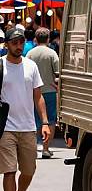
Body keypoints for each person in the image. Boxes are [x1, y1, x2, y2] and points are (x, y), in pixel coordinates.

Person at [0, 28, 50, 191]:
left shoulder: (31, 66)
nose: (19, 46)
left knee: (29, 171)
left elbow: (38, 96)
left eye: (21, 42)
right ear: (7, 45)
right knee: (9, 171)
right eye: (14, 42)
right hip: (6, 128)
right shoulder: (0, 65)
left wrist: (45, 122)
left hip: (28, 127)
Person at [27, 28, 59, 158]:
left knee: (34, 121)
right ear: (48, 39)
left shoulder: (30, 54)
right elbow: (58, 74)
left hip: (33, 91)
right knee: (50, 120)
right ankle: (46, 149)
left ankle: (32, 149)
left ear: (36, 38)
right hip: (50, 91)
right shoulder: (52, 54)